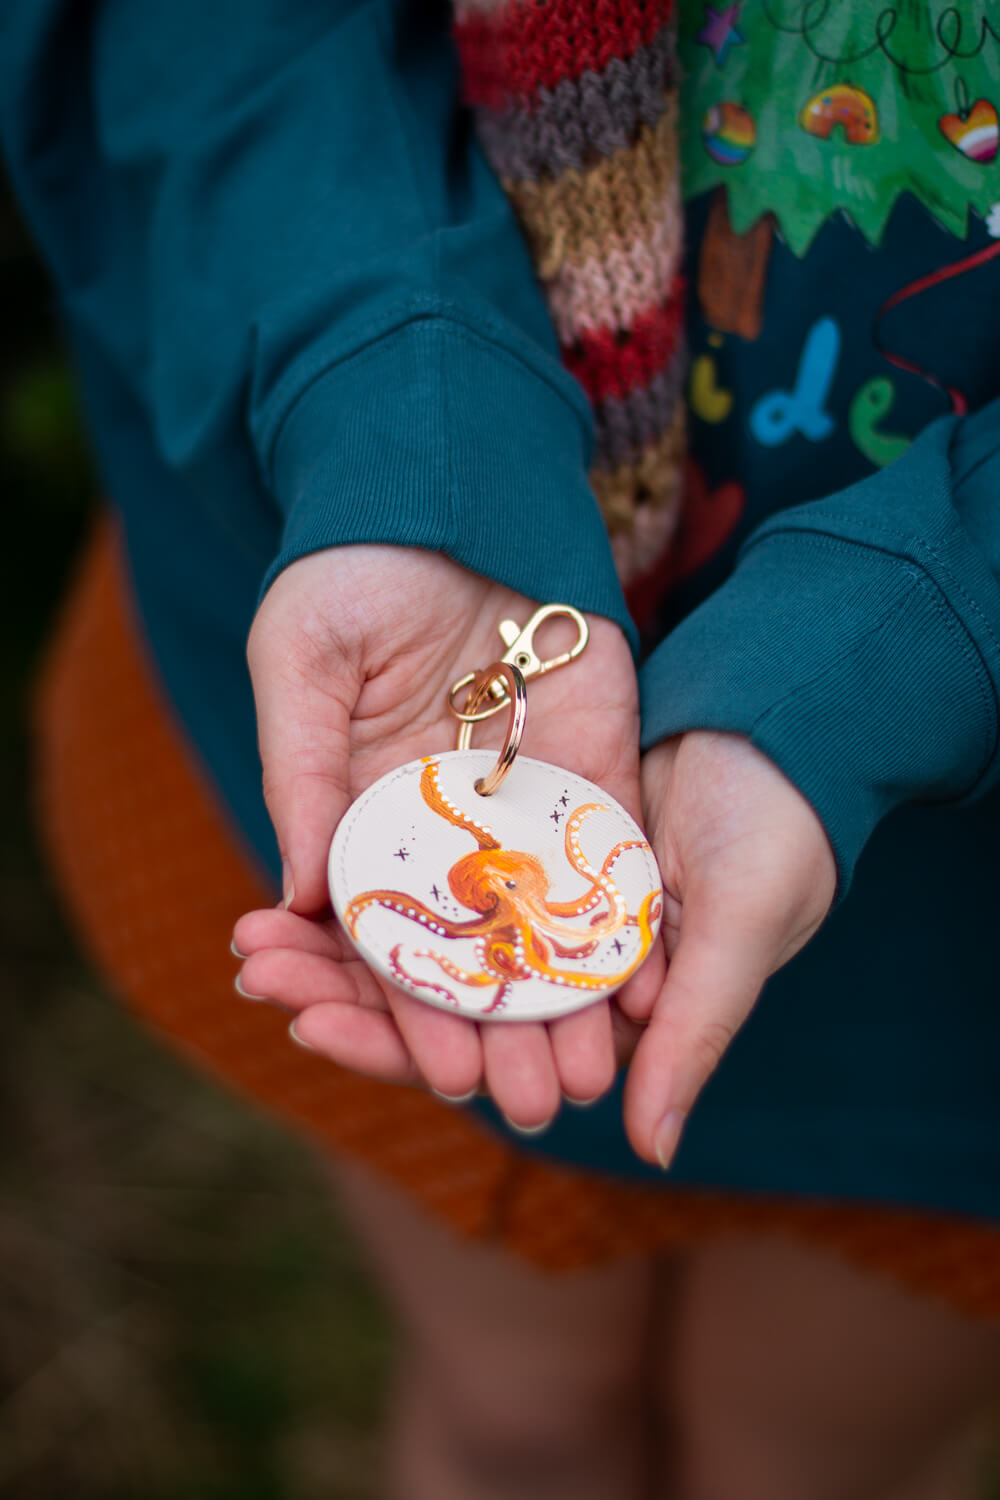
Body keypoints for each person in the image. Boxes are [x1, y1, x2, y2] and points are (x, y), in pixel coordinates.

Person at [5, 0, 1000, 1495]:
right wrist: (394, 411)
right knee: (515, 1407)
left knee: (796, 1460)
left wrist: (916, 640)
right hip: (337, 533)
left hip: (950, 967)